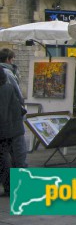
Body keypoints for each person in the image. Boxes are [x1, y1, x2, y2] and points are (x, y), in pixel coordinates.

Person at [0, 48, 27, 171]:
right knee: (16, 153)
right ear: (8, 59)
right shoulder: (8, 74)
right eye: (13, 59)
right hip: (12, 121)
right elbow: (18, 94)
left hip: (9, 121)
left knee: (9, 155)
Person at [0, 67, 25, 197]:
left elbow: (2, 112)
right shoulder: (7, 87)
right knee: (11, 156)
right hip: (12, 128)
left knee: (3, 158)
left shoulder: (3, 90)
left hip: (4, 129)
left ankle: (9, 186)